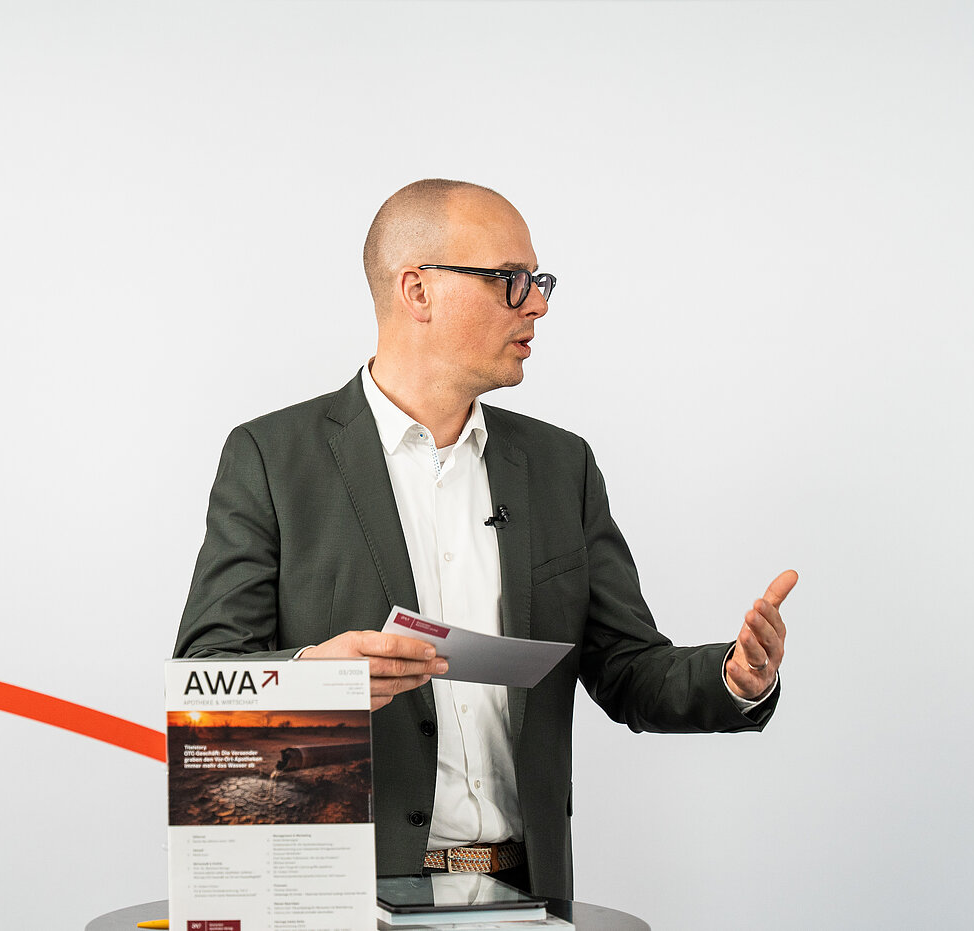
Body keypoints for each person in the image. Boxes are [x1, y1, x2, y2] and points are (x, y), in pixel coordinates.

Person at [173, 178, 795, 900]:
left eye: (538, 281)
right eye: (510, 280)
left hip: (524, 896)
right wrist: (316, 679)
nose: (538, 304)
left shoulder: (561, 467)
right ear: (418, 291)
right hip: (342, 898)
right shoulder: (272, 458)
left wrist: (735, 678)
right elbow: (204, 680)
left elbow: (627, 667)